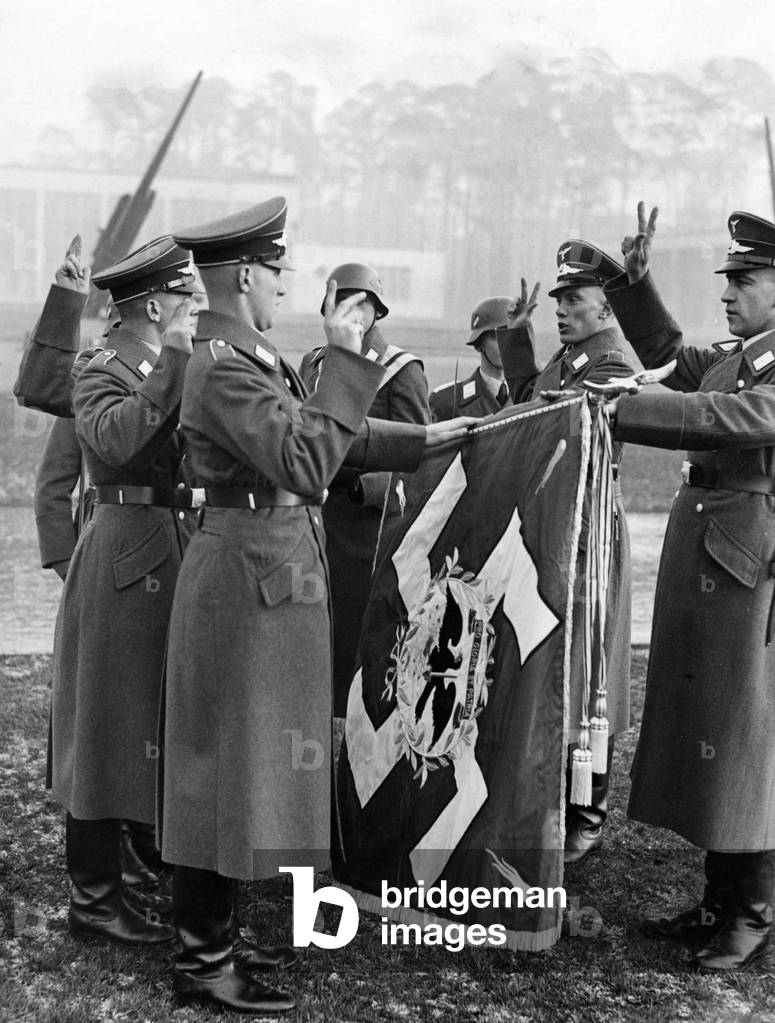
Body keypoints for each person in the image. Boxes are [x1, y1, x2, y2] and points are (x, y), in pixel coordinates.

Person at [161, 197, 474, 1015]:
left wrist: (434, 437)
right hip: (246, 575)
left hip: (263, 569)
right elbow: (305, 460)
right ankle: (201, 957)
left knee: (247, 758)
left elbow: (331, 437)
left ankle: (216, 934)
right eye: (274, 273)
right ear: (242, 275)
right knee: (222, 761)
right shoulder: (224, 362)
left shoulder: (247, 355)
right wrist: (342, 357)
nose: (282, 287)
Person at [605, 204, 775, 971]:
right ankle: (717, 898)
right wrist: (634, 285)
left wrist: (624, 409)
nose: (729, 290)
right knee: (714, 720)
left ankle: (749, 909)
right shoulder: (746, 353)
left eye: (744, 277)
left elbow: (732, 415)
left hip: (748, 559)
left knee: (747, 731)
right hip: (717, 548)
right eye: (729, 277)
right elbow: (675, 356)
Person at [50, 236, 203, 947]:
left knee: (146, 718)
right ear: (151, 303)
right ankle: (94, 901)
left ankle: (135, 876)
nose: (194, 305)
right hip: (121, 548)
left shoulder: (162, 360)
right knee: (107, 726)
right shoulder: (102, 365)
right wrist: (173, 359)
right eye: (183, 295)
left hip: (163, 541)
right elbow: (115, 441)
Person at [497, 248, 635, 865]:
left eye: (572, 300)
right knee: (551, 656)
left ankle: (587, 808)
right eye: (557, 301)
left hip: (587, 534)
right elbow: (531, 395)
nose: (561, 310)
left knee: (585, 670)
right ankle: (547, 792)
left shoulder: (610, 360)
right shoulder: (570, 357)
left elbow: (554, 421)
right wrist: (514, 336)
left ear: (605, 304)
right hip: (553, 523)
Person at [299, 262, 430, 715]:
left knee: (359, 642)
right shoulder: (315, 363)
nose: (353, 314)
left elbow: (418, 452)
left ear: (377, 310)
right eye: (343, 303)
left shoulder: (400, 368)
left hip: (367, 526)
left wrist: (367, 486)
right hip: (316, 520)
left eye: (362, 305)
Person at [430, 296, 513, 420]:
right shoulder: (446, 400)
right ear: (479, 345)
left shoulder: (533, 395)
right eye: (496, 337)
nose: (506, 344)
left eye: (512, 336)